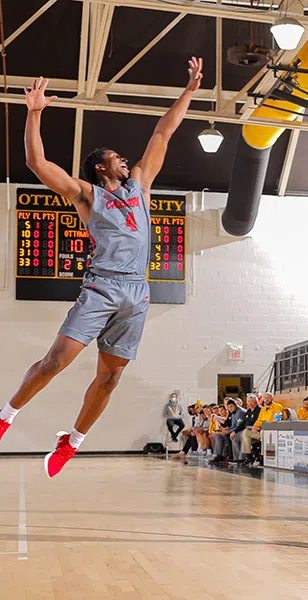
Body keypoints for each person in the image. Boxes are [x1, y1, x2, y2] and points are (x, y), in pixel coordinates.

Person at [0, 59, 204, 477]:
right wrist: (34, 113)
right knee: (56, 362)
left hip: (138, 293)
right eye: (115, 158)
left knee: (110, 379)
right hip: (103, 288)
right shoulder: (87, 195)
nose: (124, 160)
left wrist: (189, 91)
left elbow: (163, 132)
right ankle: (6, 415)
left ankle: (72, 441)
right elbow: (38, 164)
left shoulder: (142, 185)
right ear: (100, 168)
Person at [241, 393, 285, 463]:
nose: (266, 399)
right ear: (263, 399)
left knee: (263, 432)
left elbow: (277, 420)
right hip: (262, 431)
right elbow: (259, 421)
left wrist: (264, 427)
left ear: (272, 398)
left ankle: (263, 456)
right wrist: (255, 427)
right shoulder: (263, 409)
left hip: (272, 431)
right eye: (265, 398)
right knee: (246, 432)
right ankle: (248, 456)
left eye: (268, 397)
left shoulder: (277, 406)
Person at [212, 399, 247, 463]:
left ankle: (235, 458)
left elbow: (239, 427)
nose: (230, 409)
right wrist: (225, 430)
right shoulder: (233, 412)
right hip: (236, 430)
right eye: (228, 407)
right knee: (218, 435)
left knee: (233, 436)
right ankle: (219, 455)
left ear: (235, 405)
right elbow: (233, 426)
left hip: (242, 430)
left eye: (231, 406)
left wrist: (228, 432)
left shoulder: (240, 412)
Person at [232, 394, 260, 462]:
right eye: (248, 401)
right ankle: (237, 458)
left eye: (251, 401)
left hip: (254, 431)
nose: (249, 403)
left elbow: (258, 423)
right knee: (234, 436)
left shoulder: (260, 410)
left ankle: (243, 457)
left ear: (256, 402)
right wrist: (235, 431)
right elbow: (243, 423)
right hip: (246, 429)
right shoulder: (248, 411)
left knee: (244, 434)